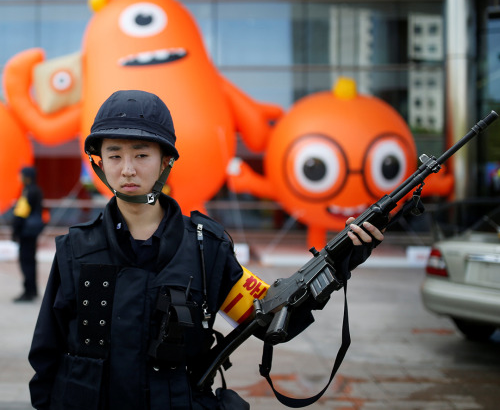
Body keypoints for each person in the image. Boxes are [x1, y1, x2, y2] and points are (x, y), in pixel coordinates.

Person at [28, 89, 383, 410]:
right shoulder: (75, 248)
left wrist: (340, 263)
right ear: (99, 162)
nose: (128, 169)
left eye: (141, 154)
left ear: (166, 161)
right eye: (115, 155)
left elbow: (271, 317)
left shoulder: (205, 248)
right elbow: (46, 353)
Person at [12, 166, 44, 302]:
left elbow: (21, 213)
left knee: (26, 262)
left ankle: (28, 292)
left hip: (26, 231)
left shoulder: (28, 191)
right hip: (33, 231)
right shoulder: (37, 190)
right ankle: (33, 290)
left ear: (27, 177)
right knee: (31, 260)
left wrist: (15, 230)